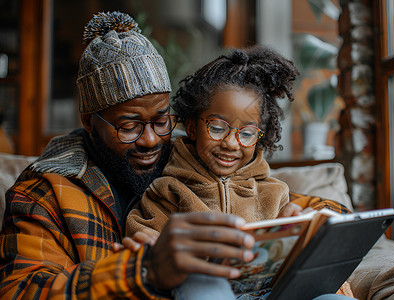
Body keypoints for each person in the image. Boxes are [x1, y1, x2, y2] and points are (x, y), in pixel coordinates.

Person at [0, 11, 353, 300]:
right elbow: (21, 292)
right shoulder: (45, 194)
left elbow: (296, 204)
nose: (151, 140)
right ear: (90, 122)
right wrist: (146, 270)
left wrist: (310, 222)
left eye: (160, 120)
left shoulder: (193, 154)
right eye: (129, 126)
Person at [125, 45, 304, 239]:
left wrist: (292, 231)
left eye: (247, 134)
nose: (231, 144)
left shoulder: (274, 193)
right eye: (217, 128)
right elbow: (143, 243)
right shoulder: (168, 191)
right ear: (192, 128)